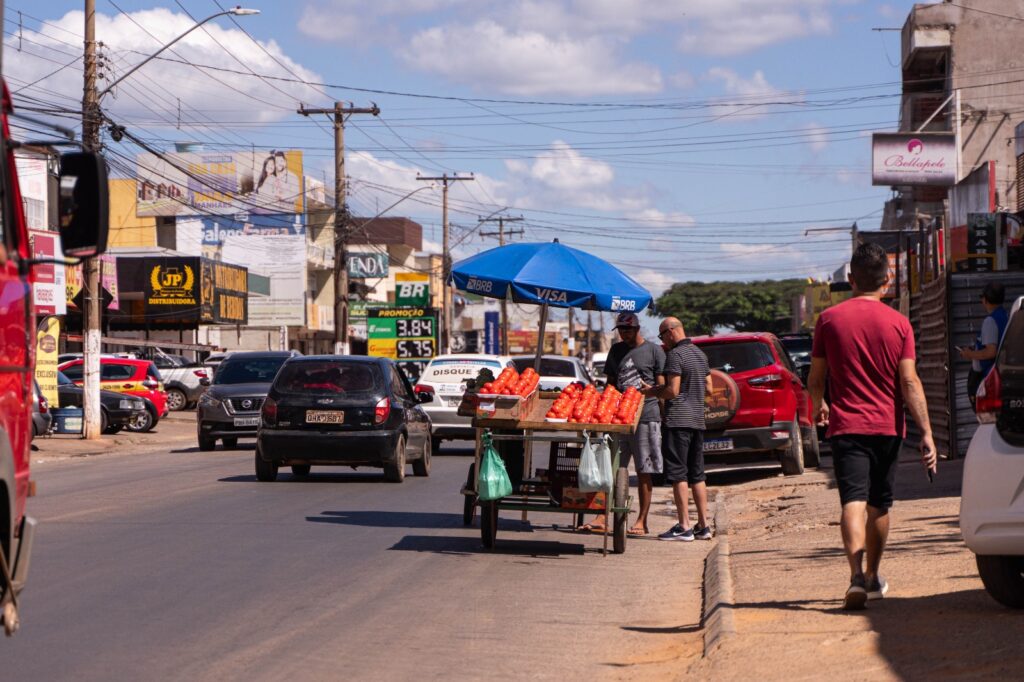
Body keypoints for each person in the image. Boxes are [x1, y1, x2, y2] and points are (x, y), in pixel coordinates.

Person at [807, 242, 937, 611]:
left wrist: (816, 411)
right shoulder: (899, 323)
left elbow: (816, 378)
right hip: (887, 428)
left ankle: (855, 577)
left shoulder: (829, 320)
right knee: (880, 505)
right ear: (888, 279)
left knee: (852, 503)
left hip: (846, 427)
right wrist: (926, 432)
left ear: (850, 280)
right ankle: (873, 576)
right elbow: (910, 383)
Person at [581, 312, 665, 536]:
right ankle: (601, 516)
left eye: (627, 330)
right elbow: (610, 383)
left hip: (646, 416)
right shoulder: (616, 350)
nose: (623, 333)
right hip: (618, 418)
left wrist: (657, 405)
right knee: (608, 468)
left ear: (637, 329)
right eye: (620, 330)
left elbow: (663, 386)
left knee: (644, 470)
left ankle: (641, 521)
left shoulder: (654, 351)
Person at [641, 317, 713, 542]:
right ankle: (704, 525)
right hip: (697, 422)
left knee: (678, 474)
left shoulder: (675, 355)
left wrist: (652, 392)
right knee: (697, 475)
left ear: (671, 332)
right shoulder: (700, 354)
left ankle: (684, 526)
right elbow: (710, 389)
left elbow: (672, 390)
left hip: (678, 421)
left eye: (662, 336)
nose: (663, 341)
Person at [959, 281, 1009, 409]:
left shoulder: (990, 321)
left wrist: (969, 354)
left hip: (988, 378)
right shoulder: (1005, 316)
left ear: (986, 300)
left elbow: (991, 351)